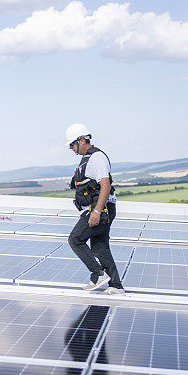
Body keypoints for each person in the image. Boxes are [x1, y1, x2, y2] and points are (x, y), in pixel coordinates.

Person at [65, 123, 125, 296]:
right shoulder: (88, 159)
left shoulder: (96, 158)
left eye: (72, 144)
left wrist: (96, 212)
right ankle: (116, 286)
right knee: (99, 247)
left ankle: (98, 274)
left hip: (101, 209)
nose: (70, 148)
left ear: (82, 140)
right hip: (100, 208)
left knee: (75, 239)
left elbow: (105, 185)